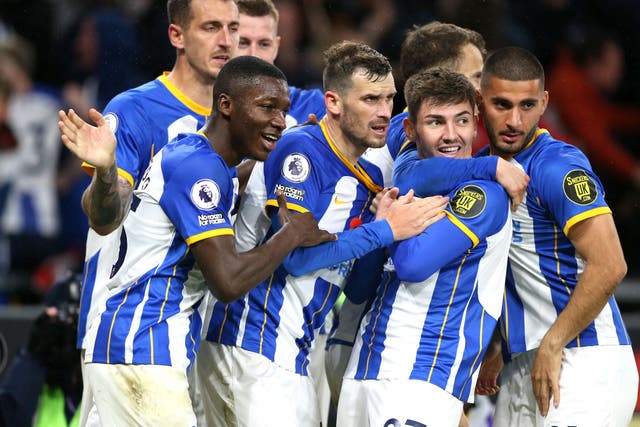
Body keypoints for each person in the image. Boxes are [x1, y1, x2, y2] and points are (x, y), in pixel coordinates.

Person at [57, 55, 336, 425]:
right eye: (267, 107)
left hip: (127, 344)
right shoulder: (199, 169)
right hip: (144, 348)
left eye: (284, 111)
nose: (279, 121)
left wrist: (297, 144)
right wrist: (292, 234)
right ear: (226, 105)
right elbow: (227, 280)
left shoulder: (201, 158)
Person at [195, 41, 449, 427]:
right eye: (370, 99)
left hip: (293, 349)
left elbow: (351, 274)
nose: (384, 112)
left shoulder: (370, 175)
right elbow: (293, 257)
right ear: (333, 102)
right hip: (250, 341)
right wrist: (384, 229)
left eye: (389, 99)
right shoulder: (303, 150)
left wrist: (377, 233)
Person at [324, 21, 529, 409]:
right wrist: (489, 167)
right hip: (376, 356)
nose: (483, 91)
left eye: (462, 119)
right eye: (474, 78)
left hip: (375, 359)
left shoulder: (471, 187)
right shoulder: (403, 150)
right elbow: (406, 254)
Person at [57, 0, 239, 424]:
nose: (226, 40)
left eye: (233, 27)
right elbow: (104, 216)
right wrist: (104, 172)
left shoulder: (239, 122)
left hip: (191, 336)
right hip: (130, 335)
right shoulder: (137, 109)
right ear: (177, 35)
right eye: (211, 27)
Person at [476, 46, 637, 426]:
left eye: (528, 105)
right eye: (502, 105)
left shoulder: (557, 166)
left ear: (545, 101)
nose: (515, 119)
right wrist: (500, 345)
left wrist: (553, 342)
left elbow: (611, 264)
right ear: (479, 100)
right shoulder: (484, 170)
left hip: (582, 358)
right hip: (524, 363)